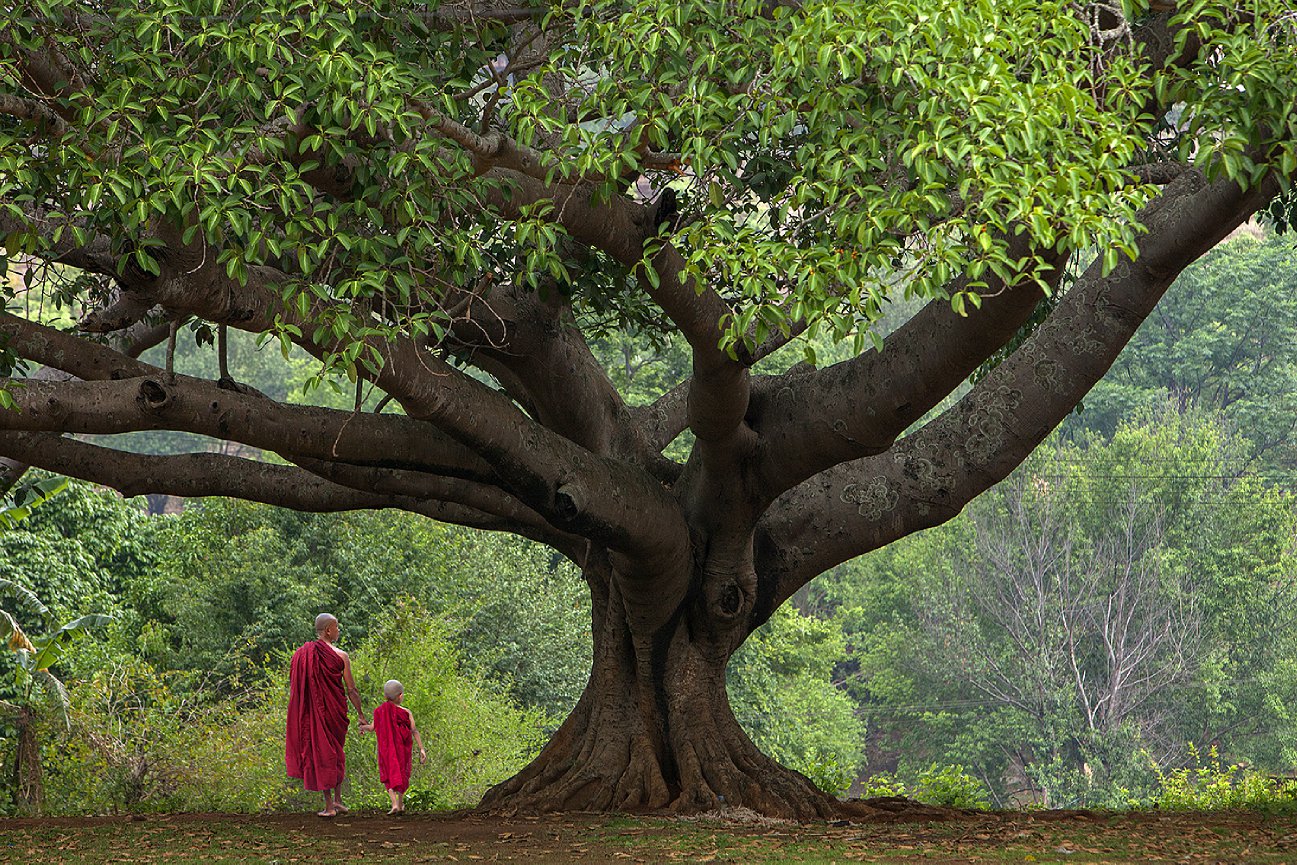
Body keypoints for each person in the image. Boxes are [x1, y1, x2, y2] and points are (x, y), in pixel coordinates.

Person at [286, 613, 367, 817]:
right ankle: (333, 804)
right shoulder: (341, 656)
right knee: (334, 752)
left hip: (323, 712)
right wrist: (360, 714)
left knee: (326, 753)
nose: (339, 631)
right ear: (329, 630)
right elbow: (352, 690)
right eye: (337, 627)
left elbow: (297, 688)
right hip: (334, 711)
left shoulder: (301, 655)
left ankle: (333, 803)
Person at [360, 679, 427, 815]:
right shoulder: (406, 712)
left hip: (386, 749)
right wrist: (421, 748)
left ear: (385, 697)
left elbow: (372, 728)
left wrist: (362, 727)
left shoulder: (379, 711)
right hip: (402, 749)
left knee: (388, 773)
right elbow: (414, 730)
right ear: (400, 696)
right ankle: (400, 803)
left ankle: (395, 804)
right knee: (402, 773)